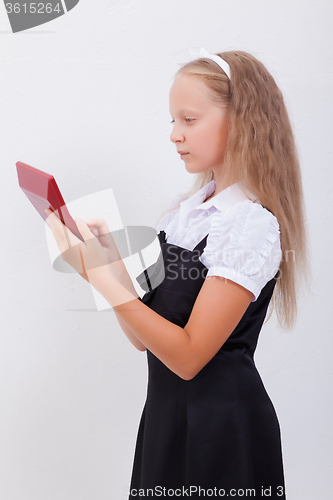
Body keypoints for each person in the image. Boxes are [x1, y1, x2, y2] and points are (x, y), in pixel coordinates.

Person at [45, 48, 311, 499]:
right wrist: (111, 263)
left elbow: (189, 358)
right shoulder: (181, 217)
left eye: (188, 120)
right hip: (167, 423)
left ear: (241, 120)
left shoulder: (250, 225)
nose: (174, 135)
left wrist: (100, 278)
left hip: (223, 431)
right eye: (172, 121)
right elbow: (144, 337)